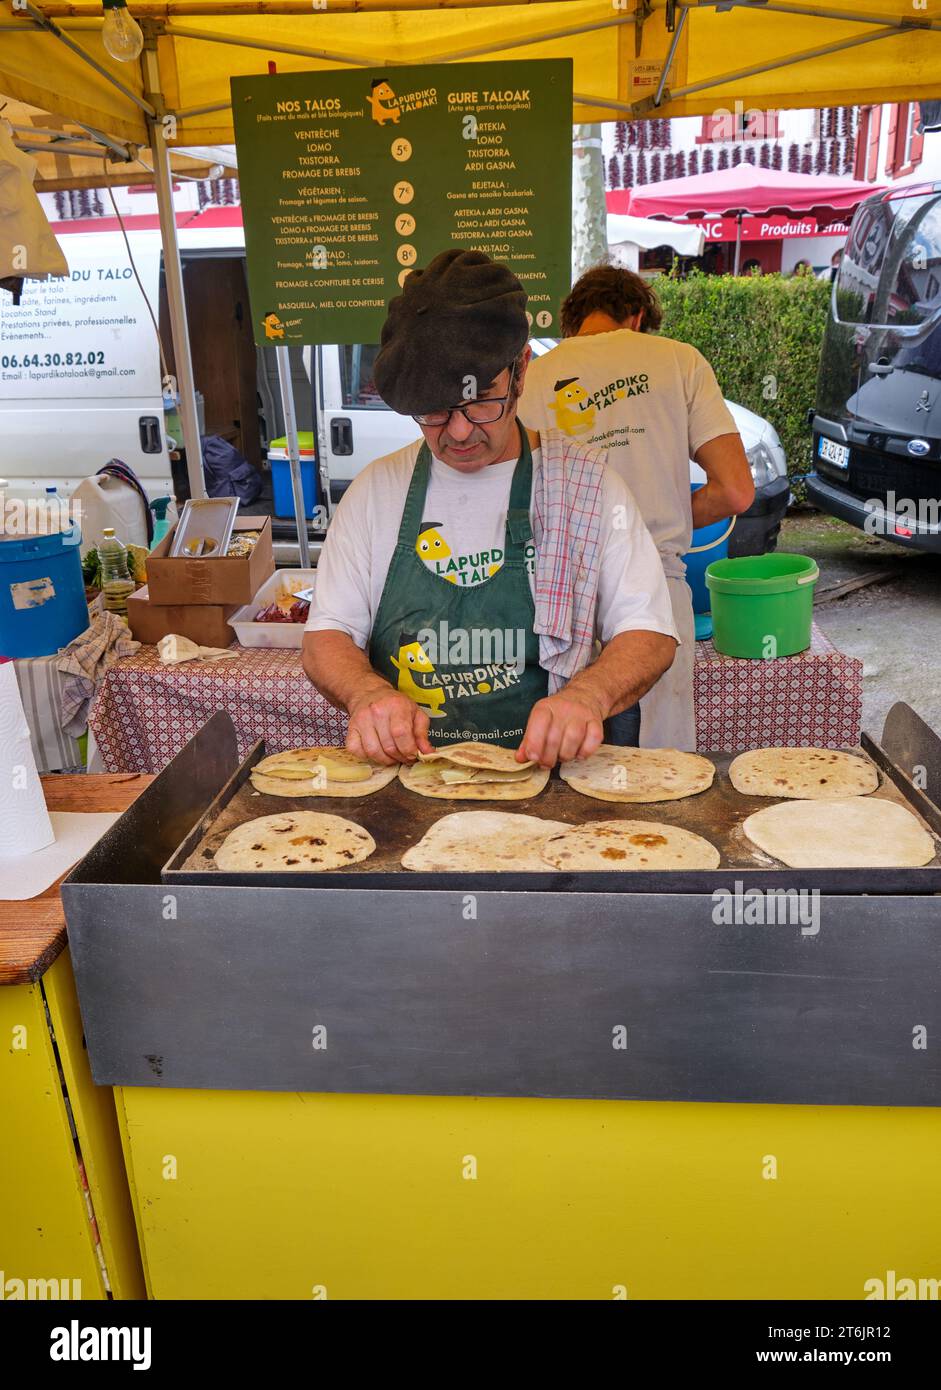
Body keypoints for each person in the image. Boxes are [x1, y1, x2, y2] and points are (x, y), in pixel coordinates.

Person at [302, 249, 678, 768]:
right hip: (409, 785)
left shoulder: (587, 486)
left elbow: (649, 631)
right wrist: (366, 693)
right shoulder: (375, 492)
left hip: (547, 783)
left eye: (482, 401)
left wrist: (587, 696)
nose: (457, 432)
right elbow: (327, 635)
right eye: (433, 409)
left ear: (521, 372)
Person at [518, 265, 754, 751]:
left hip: (560, 592)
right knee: (661, 760)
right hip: (657, 592)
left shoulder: (535, 375)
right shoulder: (679, 361)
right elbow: (735, 492)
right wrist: (660, 520)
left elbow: (517, 496)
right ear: (637, 315)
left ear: (573, 322)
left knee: (568, 749)